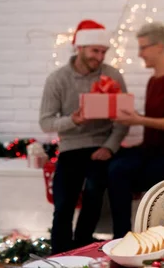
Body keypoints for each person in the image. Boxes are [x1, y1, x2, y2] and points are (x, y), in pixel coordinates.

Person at [39, 19, 129, 253]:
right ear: (79, 48)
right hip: (70, 148)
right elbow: (46, 121)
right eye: (95, 51)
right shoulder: (57, 79)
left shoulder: (113, 76)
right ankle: (59, 254)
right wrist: (74, 120)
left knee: (94, 191)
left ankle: (82, 248)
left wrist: (109, 147)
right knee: (64, 203)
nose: (100, 57)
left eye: (103, 52)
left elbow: (123, 120)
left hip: (101, 146)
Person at [109, 22, 164, 239]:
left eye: (143, 47)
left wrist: (138, 119)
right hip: (155, 151)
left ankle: (122, 238)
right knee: (114, 162)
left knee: (118, 171)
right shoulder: (152, 81)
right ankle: (123, 237)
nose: (140, 54)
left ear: (159, 47)